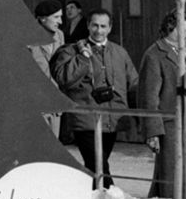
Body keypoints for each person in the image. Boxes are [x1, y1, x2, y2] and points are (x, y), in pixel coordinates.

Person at [51, 11, 135, 189]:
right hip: (85, 119)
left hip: (112, 119)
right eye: (95, 25)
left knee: (96, 167)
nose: (99, 30)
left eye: (103, 26)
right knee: (99, 166)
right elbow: (64, 79)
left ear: (110, 28)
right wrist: (83, 58)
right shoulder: (71, 51)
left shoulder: (119, 52)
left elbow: (133, 83)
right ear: (88, 25)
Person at [138, 12, 186, 199]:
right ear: (171, 28)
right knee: (170, 176)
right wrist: (153, 131)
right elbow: (149, 96)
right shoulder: (155, 54)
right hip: (170, 126)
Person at [29, 0, 66, 136]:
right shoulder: (26, 38)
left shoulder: (59, 35)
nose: (60, 21)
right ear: (43, 19)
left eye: (61, 17)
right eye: (56, 17)